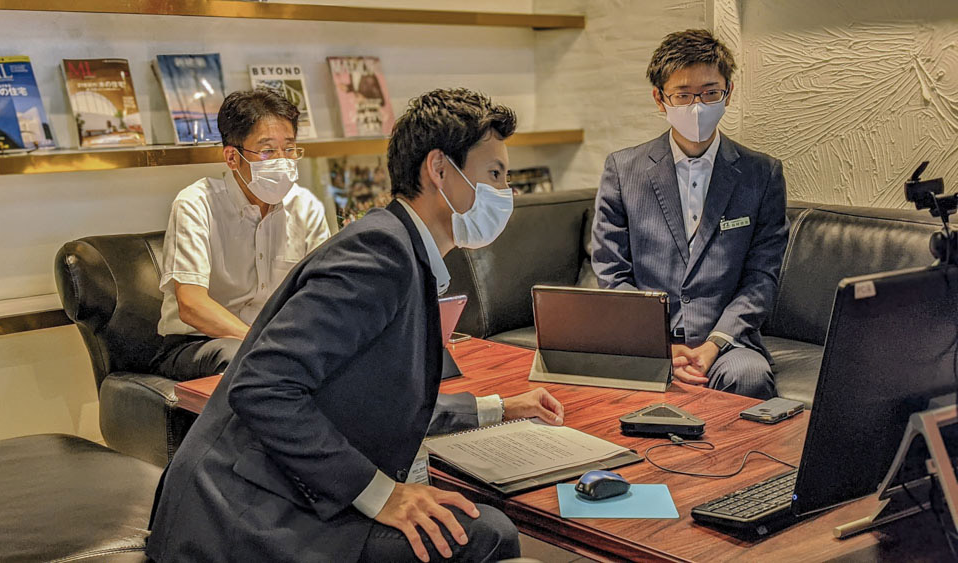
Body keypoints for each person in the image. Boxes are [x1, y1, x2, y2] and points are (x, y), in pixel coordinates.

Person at [145, 88, 565, 562]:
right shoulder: (380, 253)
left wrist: (497, 409)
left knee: (483, 528)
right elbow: (261, 388)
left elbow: (377, 399)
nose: (505, 193)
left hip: (279, 492)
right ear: (439, 169)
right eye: (494, 174)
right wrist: (383, 496)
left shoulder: (400, 247)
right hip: (239, 513)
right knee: (483, 534)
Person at [591, 29, 789, 399]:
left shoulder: (762, 174)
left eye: (710, 93)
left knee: (749, 376)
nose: (697, 105)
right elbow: (611, 272)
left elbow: (762, 277)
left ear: (728, 93)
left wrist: (714, 343)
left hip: (727, 343)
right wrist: (659, 346)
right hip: (645, 341)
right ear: (660, 99)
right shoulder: (623, 170)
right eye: (683, 95)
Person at [150, 88, 331, 381]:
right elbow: (192, 305)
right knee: (241, 359)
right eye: (267, 151)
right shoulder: (196, 204)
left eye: (289, 149)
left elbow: (322, 293)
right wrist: (262, 343)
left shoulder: (305, 207)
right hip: (199, 343)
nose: (282, 161)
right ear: (232, 157)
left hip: (277, 345)